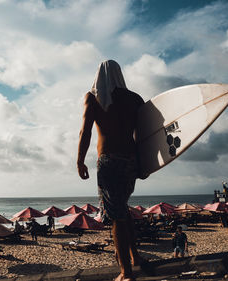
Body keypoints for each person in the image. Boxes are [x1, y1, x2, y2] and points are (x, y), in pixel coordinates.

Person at [77, 60, 147, 281]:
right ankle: (135, 257)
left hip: (108, 162)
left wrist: (80, 160)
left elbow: (85, 131)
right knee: (122, 210)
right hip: (131, 160)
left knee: (116, 216)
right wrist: (145, 164)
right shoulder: (135, 99)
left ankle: (125, 272)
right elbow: (145, 135)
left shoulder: (94, 97)